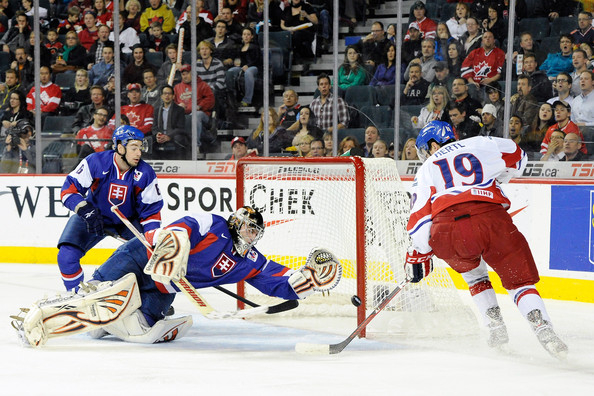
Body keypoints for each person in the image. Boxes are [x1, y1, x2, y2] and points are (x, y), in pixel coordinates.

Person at [15, 206, 341, 348]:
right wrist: (176, 249)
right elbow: (179, 229)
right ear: (234, 221)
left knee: (138, 330)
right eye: (244, 225)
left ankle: (114, 317)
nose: (247, 233)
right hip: (139, 258)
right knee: (96, 292)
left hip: (163, 289)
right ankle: (45, 312)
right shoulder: (213, 224)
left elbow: (279, 282)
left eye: (253, 231)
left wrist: (303, 283)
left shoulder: (250, 261)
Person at [406, 120, 568, 359]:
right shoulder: (481, 143)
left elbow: (419, 220)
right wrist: (498, 176)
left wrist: (419, 254)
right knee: (518, 283)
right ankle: (543, 328)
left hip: (448, 229)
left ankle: (495, 328)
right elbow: (519, 157)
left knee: (474, 275)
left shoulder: (427, 167)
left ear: (433, 144)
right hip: (490, 217)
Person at [56, 125, 164, 291]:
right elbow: (68, 190)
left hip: (128, 221)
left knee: (148, 258)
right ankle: (76, 293)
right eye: (134, 148)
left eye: (140, 148)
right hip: (93, 215)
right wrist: (85, 210)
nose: (139, 153)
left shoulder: (145, 173)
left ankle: (152, 301)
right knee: (66, 255)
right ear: (120, 147)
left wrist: (153, 240)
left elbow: (151, 213)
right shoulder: (96, 162)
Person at [173, 64, 214, 149]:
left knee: (196, 115)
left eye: (187, 73)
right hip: (183, 115)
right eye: (183, 74)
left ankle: (196, 146)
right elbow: (171, 103)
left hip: (201, 115)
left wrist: (199, 106)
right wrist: (178, 107)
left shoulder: (202, 85)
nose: (185, 76)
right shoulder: (177, 88)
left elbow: (210, 99)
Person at [461, 31, 505, 100]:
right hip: (475, 84)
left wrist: (490, 80)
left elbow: (500, 73)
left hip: (490, 84)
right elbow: (465, 70)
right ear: (482, 41)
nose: (487, 39)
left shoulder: (500, 53)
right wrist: (473, 83)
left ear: (494, 40)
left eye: (490, 37)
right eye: (485, 37)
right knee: (469, 88)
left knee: (489, 89)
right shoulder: (475, 53)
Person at [225, 27, 261, 107]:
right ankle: (232, 97)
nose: (246, 36)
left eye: (248, 34)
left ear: (252, 36)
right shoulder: (240, 47)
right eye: (244, 34)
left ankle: (247, 99)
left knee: (248, 72)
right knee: (230, 71)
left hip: (253, 67)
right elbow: (238, 60)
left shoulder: (255, 47)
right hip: (242, 67)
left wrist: (248, 65)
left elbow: (257, 60)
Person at [150, 85, 189, 160]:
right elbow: (154, 127)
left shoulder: (179, 110)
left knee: (179, 139)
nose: (167, 96)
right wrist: (157, 134)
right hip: (161, 134)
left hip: (174, 135)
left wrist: (169, 136)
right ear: (161, 96)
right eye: (165, 93)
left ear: (173, 96)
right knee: (148, 141)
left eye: (169, 93)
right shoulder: (157, 110)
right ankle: (152, 165)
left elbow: (180, 128)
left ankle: (180, 164)